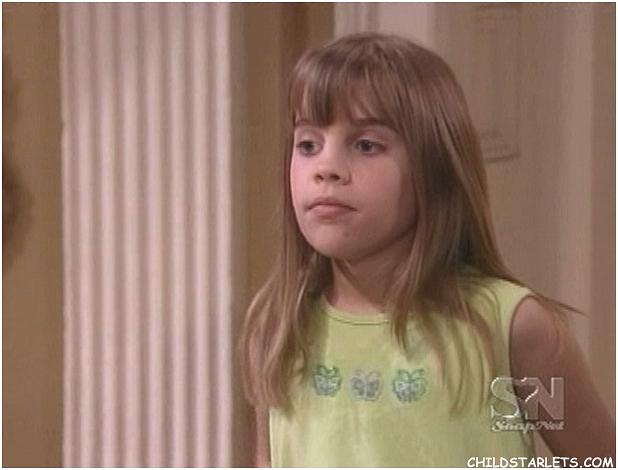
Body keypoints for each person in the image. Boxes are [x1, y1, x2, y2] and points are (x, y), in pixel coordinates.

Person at [238, 32, 615, 467]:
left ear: (433, 166)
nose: (326, 168)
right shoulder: (280, 326)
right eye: (308, 145)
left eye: (366, 145)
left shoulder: (509, 329)